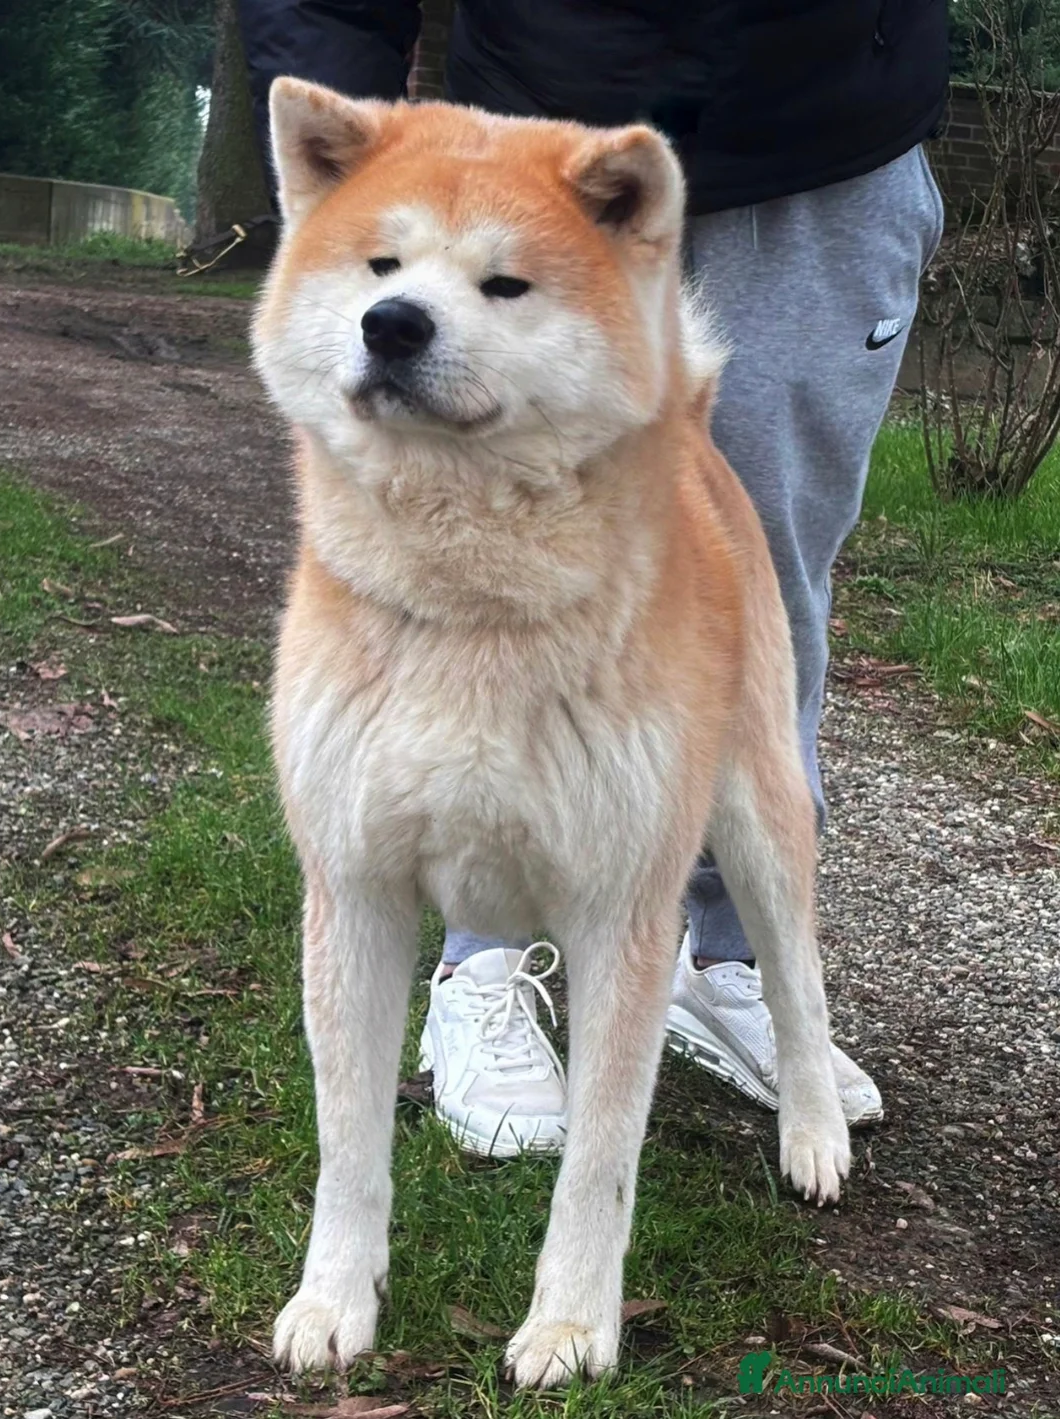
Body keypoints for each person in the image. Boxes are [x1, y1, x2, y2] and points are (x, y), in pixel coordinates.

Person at [239, 0, 948, 1155]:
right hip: (519, 132)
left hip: (822, 142)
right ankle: (487, 963)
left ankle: (732, 963)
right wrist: (344, 179)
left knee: (763, 603)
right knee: (451, 603)